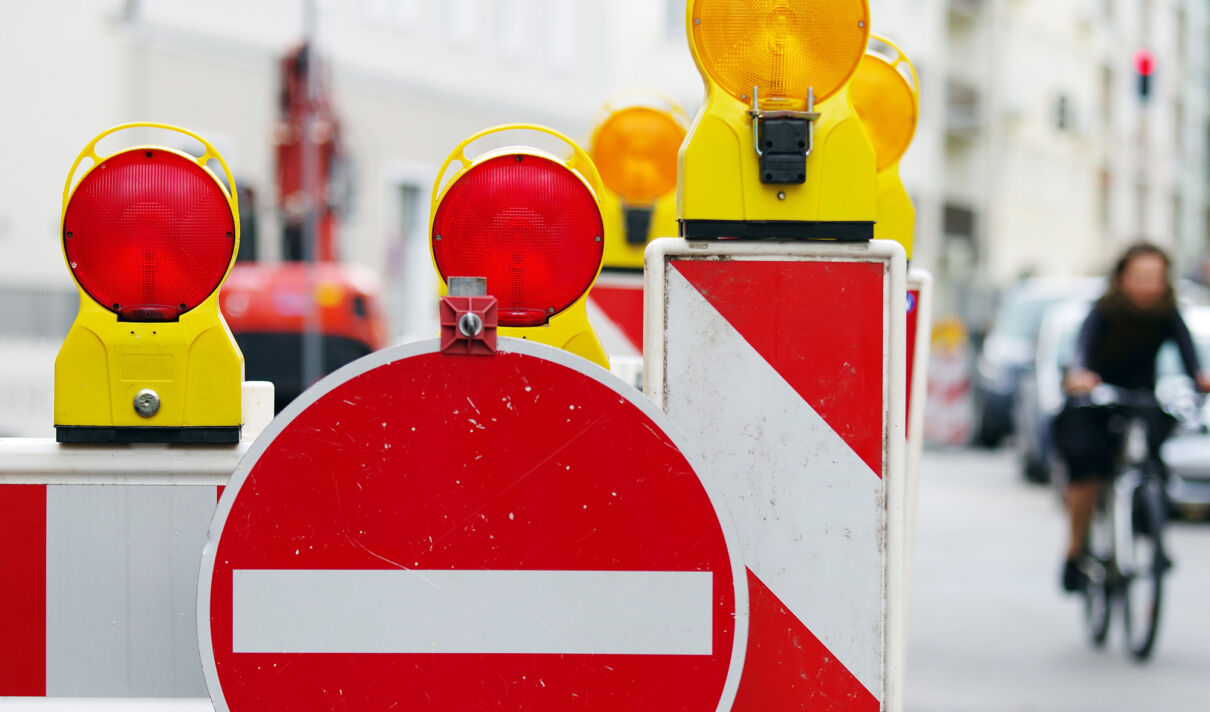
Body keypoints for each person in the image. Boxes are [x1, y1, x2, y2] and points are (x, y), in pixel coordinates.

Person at [1054, 243, 1210, 592]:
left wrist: (1200, 379)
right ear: (1122, 279)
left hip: (1142, 399)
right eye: (1139, 277)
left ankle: (1152, 534)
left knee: (1156, 464)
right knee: (1087, 470)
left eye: (1154, 278)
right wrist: (1080, 375)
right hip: (1097, 398)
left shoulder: (1168, 313)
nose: (1147, 286)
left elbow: (1190, 360)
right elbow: (1082, 351)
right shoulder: (1104, 311)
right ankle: (1075, 550)